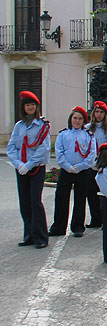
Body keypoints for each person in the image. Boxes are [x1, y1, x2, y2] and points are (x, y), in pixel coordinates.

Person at [7, 91, 51, 249]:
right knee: (24, 202)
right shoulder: (19, 126)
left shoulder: (43, 125)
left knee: (35, 201)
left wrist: (29, 164)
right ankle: (29, 235)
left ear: (37, 107)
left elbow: (44, 149)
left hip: (35, 168)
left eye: (33, 105)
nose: (30, 107)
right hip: (21, 168)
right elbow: (11, 147)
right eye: (27, 105)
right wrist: (18, 164)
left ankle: (41, 237)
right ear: (23, 107)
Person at [49, 106, 96, 238]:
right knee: (61, 197)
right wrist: (67, 166)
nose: (77, 121)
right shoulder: (63, 134)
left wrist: (80, 167)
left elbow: (92, 154)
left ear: (84, 121)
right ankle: (58, 226)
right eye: (75, 118)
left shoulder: (88, 135)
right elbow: (59, 152)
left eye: (80, 119)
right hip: (66, 170)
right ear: (70, 119)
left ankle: (78, 226)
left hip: (82, 171)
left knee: (80, 199)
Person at [85, 101, 107, 228]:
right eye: (97, 112)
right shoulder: (87, 128)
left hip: (103, 164)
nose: (99, 114)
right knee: (91, 193)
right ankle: (95, 219)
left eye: (101, 112)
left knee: (104, 193)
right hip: (90, 164)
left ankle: (105, 219)